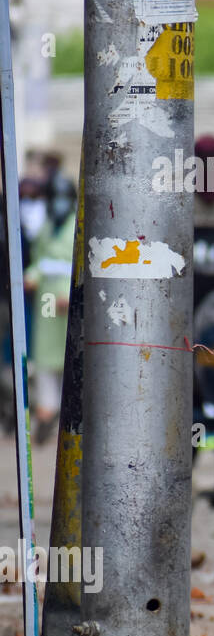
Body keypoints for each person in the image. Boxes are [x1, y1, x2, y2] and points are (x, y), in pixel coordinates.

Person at [22, 179, 76, 443]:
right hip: (46, 298)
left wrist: (70, 294)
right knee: (44, 353)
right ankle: (46, 408)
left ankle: (66, 411)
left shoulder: (79, 226)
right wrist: (30, 276)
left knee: (68, 355)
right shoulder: (46, 228)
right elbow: (39, 260)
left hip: (68, 300)